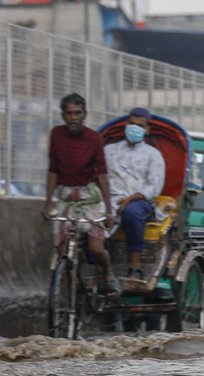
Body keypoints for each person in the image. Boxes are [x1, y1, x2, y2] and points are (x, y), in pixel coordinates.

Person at [41, 93, 119, 295]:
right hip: (65, 195)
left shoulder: (94, 138)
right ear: (63, 115)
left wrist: (109, 210)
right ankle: (67, 298)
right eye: (69, 113)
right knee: (61, 251)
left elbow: (102, 174)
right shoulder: (56, 134)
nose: (74, 117)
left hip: (89, 196)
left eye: (78, 113)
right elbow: (53, 170)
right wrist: (48, 202)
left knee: (95, 248)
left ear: (84, 114)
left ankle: (108, 272)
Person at [104, 107, 165, 280]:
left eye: (140, 125)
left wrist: (130, 199)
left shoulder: (154, 155)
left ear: (147, 130)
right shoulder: (109, 150)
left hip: (139, 200)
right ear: (125, 124)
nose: (134, 128)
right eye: (131, 124)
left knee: (132, 212)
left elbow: (154, 186)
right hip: (110, 198)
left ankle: (135, 266)